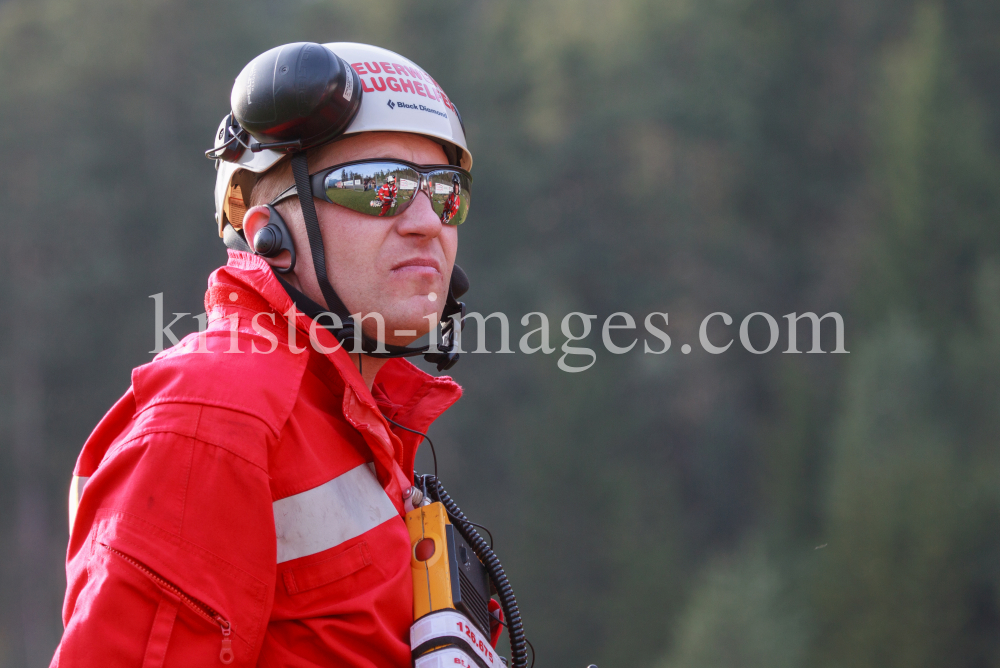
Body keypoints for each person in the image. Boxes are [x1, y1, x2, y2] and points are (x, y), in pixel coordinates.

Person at [52, 41, 474, 668]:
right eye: (375, 187)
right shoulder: (214, 417)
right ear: (265, 232)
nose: (426, 222)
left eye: (446, 193)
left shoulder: (360, 420)